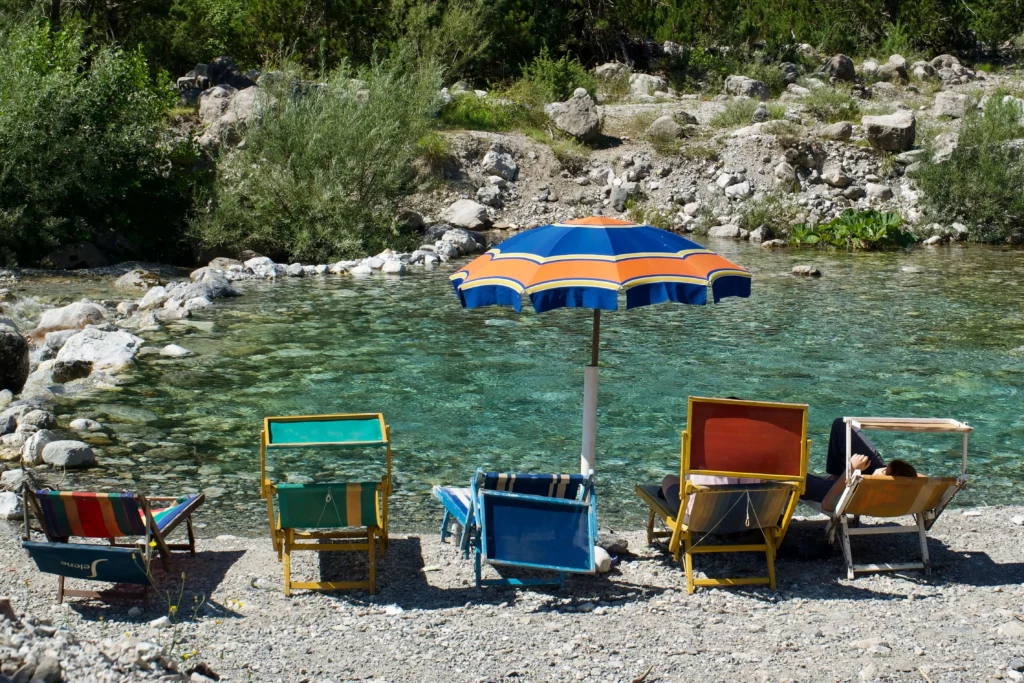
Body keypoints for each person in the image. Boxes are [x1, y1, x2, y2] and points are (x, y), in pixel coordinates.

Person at [802, 418, 918, 506]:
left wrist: (851, 469)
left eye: (883, 471)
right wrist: (878, 470)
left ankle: (836, 479)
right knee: (841, 424)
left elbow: (828, 504)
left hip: (842, 492)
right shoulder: (905, 486)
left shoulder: (867, 496)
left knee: (794, 478)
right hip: (870, 483)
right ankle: (835, 476)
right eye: (884, 468)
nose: (881, 469)